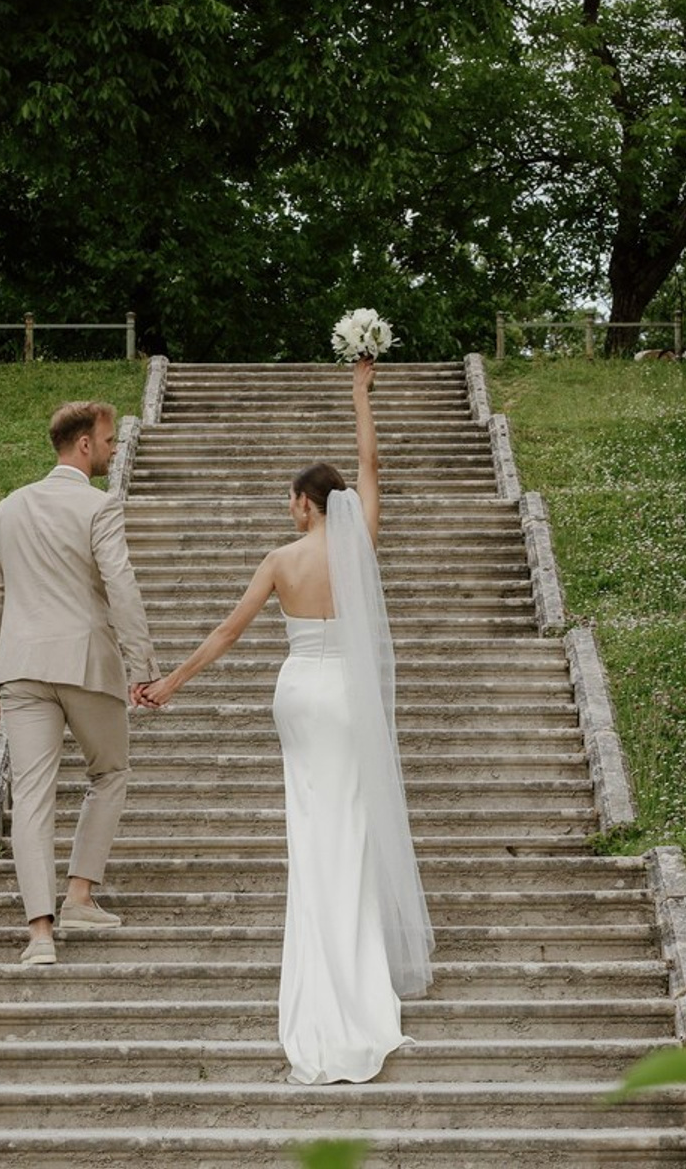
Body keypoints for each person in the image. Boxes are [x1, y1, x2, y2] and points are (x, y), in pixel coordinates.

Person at [141, 359, 435, 1083]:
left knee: (312, 829)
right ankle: (357, 973)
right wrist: (360, 394)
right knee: (352, 827)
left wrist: (172, 682)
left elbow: (227, 633)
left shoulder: (279, 560)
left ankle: (319, 965)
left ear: (308, 503)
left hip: (299, 695)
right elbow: (370, 464)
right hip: (347, 698)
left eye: (292, 499)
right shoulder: (360, 544)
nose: (289, 509)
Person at [0, 401, 160, 967]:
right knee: (111, 772)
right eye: (108, 440)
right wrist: (142, 665)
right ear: (83, 444)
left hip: (21, 667)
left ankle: (40, 937)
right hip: (85, 663)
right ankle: (79, 895)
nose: (113, 449)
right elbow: (120, 585)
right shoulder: (100, 506)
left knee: (31, 796)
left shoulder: (8, 508)